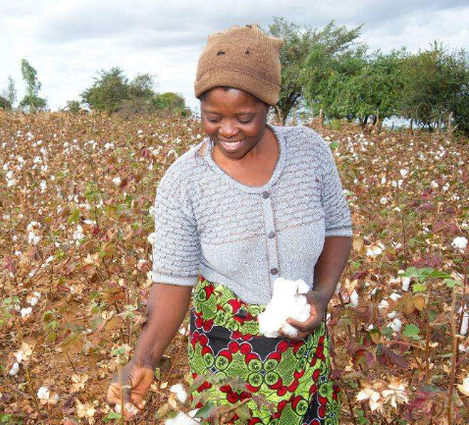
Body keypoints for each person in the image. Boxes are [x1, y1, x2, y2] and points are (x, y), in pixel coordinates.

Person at [106, 23, 353, 424]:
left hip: (305, 351)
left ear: (269, 106)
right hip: (225, 360)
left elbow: (337, 230)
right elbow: (172, 280)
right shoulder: (184, 182)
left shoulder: (309, 152)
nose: (228, 130)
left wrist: (321, 298)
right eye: (212, 117)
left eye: (244, 117)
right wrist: (143, 358)